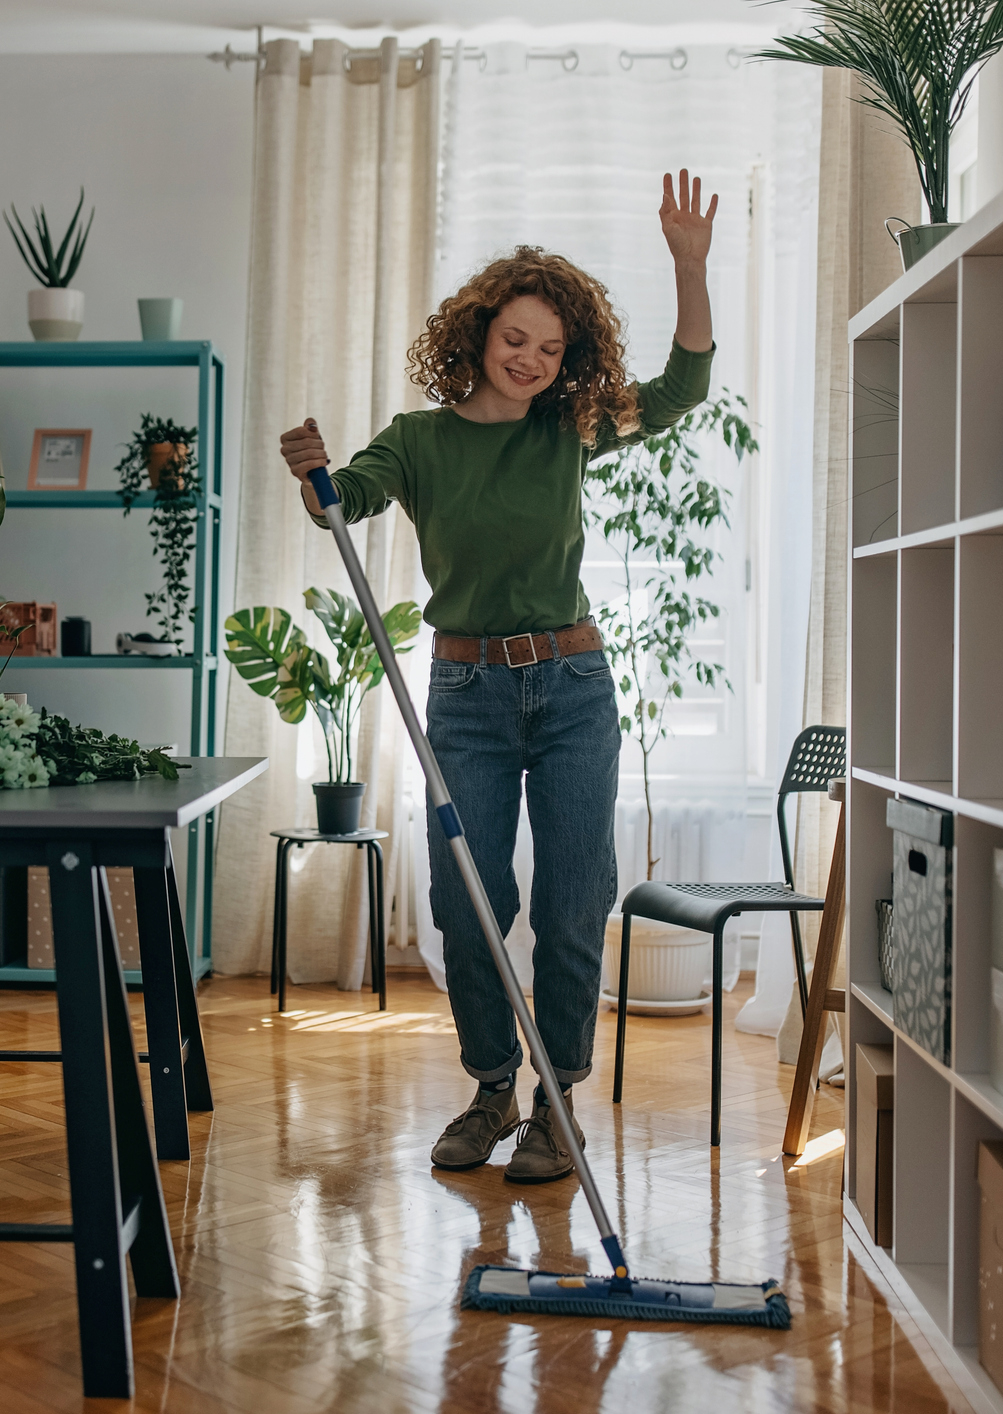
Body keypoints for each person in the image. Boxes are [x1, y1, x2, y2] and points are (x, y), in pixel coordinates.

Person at [278, 170, 717, 1183]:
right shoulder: (421, 440)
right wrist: (315, 474)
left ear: (568, 361)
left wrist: (688, 267)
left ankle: (554, 1103)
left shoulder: (567, 428)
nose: (528, 359)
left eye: (550, 349)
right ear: (477, 333)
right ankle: (488, 1087)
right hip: (466, 698)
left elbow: (681, 391)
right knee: (467, 903)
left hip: (570, 689)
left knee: (570, 899)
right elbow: (347, 498)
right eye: (514, 338)